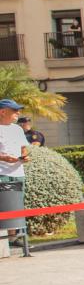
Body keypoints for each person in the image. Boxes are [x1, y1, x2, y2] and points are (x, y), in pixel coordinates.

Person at [0, 98, 32, 251]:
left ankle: (13, 237)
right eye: (14, 110)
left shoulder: (17, 129)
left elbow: (23, 147)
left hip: (18, 173)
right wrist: (4, 157)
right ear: (3, 112)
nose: (18, 113)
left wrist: (24, 156)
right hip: (1, 174)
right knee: (3, 205)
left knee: (16, 205)